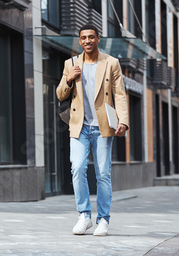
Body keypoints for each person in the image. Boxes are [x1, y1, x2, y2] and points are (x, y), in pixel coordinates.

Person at [56, 23, 129, 236]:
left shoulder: (111, 63)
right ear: (80, 41)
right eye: (83, 38)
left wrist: (123, 121)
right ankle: (84, 215)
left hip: (102, 126)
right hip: (79, 126)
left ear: (98, 38)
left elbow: (120, 94)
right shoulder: (70, 63)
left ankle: (103, 219)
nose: (87, 41)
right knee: (77, 168)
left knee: (103, 174)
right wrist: (69, 78)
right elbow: (60, 94)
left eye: (91, 37)